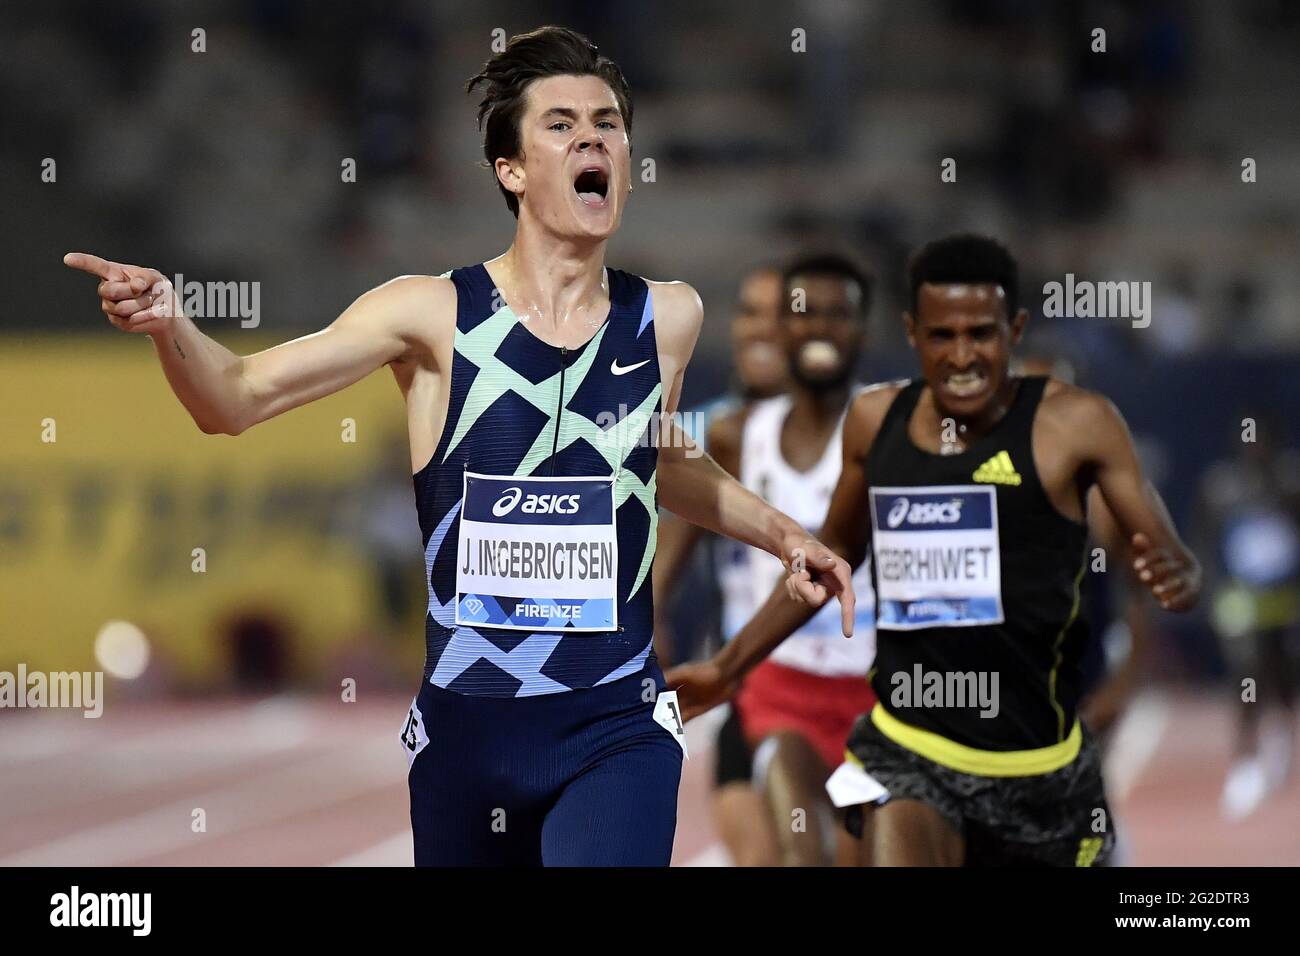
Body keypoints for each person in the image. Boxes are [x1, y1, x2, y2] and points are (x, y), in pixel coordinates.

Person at [64, 25, 853, 867]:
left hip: (615, 723)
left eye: (609, 123)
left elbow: (655, 458)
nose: (593, 137)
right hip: (467, 734)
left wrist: (785, 535)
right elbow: (234, 400)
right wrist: (169, 324)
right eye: (560, 124)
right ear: (510, 171)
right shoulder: (428, 314)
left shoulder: (667, 316)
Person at [669, 233, 1201, 867]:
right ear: (912, 332)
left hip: (1038, 761)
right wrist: (728, 668)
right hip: (909, 745)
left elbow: (1157, 545)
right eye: (942, 337)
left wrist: (1179, 572)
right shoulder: (877, 421)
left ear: (1016, 328)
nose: (962, 357)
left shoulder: (1076, 423)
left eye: (982, 334)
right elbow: (837, 548)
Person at [701, 253, 879, 866]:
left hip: (876, 695)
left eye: (840, 314)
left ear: (863, 330)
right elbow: (673, 540)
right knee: (797, 853)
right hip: (778, 686)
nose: (821, 328)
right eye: (805, 312)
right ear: (782, 329)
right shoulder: (735, 434)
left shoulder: (884, 425)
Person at [651, 263, 787, 866]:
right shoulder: (705, 430)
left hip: (842, 681)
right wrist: (648, 618)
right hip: (743, 676)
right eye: (751, 312)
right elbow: (676, 533)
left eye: (785, 313)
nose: (763, 328)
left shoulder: (855, 425)